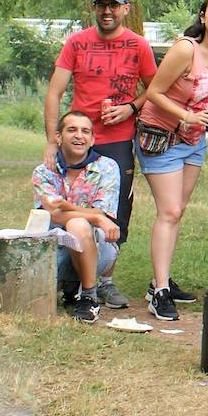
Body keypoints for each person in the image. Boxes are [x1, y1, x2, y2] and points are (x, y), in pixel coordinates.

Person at [43, 0, 156, 309]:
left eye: (114, 5)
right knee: (66, 208)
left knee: (116, 212)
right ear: (94, 8)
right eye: (101, 5)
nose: (107, 11)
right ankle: (69, 275)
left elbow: (156, 87)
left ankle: (104, 280)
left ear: (125, 8)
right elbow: (54, 92)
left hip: (118, 140)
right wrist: (52, 140)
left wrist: (130, 107)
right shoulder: (77, 43)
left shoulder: (138, 45)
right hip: (77, 141)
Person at [136, 0, 208, 321]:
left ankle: (159, 280)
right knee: (170, 210)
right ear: (203, 17)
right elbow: (154, 92)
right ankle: (159, 292)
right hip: (161, 137)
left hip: (193, 142)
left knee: (177, 212)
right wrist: (188, 117)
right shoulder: (185, 49)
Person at [32, 111, 121, 323]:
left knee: (78, 224)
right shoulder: (43, 171)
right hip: (55, 251)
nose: (79, 136)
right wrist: (96, 218)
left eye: (85, 131)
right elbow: (54, 213)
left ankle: (89, 296)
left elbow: (102, 211)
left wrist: (68, 207)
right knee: (76, 222)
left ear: (92, 139)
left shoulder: (107, 167)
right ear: (58, 137)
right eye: (71, 130)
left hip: (97, 250)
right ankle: (70, 288)